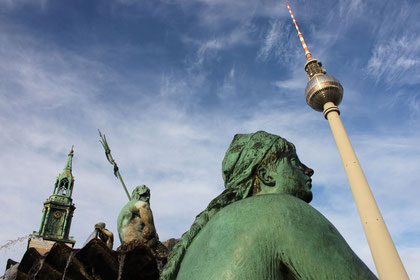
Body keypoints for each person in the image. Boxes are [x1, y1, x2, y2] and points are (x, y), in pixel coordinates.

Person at [161, 131, 377, 280]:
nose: (308, 170)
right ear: (266, 175)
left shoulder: (198, 242)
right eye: (293, 161)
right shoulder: (283, 210)